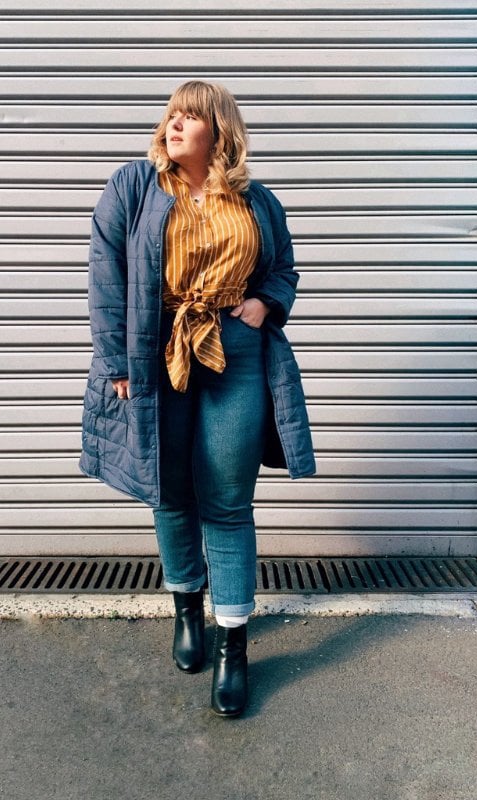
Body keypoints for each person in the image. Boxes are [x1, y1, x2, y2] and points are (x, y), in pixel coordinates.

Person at [80, 81, 315, 717]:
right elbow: (107, 275)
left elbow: (283, 269)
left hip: (235, 355)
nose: (174, 123)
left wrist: (266, 303)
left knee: (229, 500)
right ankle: (188, 607)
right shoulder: (133, 187)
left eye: (190, 116)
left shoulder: (257, 201)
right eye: (172, 114)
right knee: (168, 488)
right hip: (157, 351)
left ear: (220, 130)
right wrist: (115, 363)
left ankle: (232, 647)